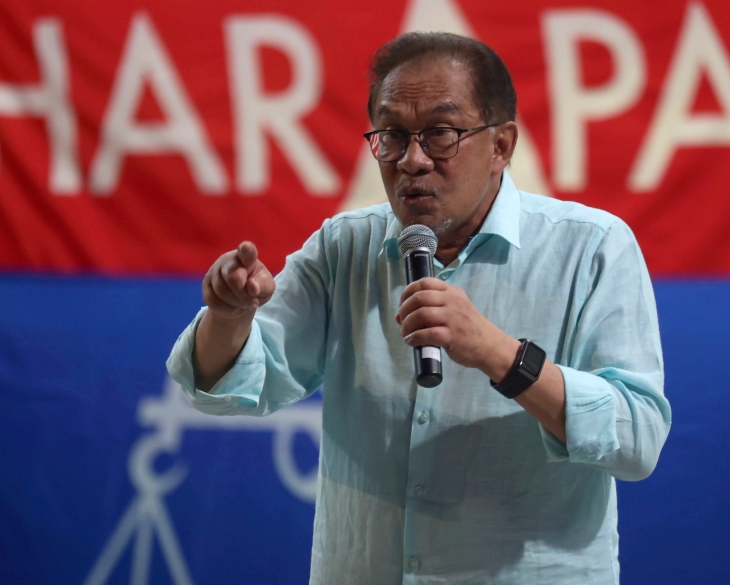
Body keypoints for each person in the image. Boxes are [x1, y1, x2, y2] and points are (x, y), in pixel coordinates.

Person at [167, 32, 671, 584]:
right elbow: (230, 388)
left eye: (440, 134)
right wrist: (231, 317)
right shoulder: (344, 247)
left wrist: (499, 355)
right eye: (392, 135)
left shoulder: (591, 247)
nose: (412, 160)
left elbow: (637, 438)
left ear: (501, 145)